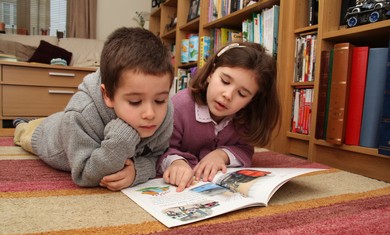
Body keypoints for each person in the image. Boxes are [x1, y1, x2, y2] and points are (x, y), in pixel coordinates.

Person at [13, 27, 174, 191]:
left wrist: (137, 171)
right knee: (24, 131)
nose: (150, 114)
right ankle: (22, 123)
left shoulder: (166, 112)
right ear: (107, 95)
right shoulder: (80, 113)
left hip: (67, 123)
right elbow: (85, 174)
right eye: (134, 101)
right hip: (49, 136)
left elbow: (158, 155)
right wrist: (121, 140)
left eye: (160, 100)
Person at [157, 42, 280, 192]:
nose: (228, 95)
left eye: (242, 94)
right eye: (225, 81)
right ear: (210, 73)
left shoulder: (245, 115)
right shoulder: (179, 106)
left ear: (252, 100)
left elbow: (245, 150)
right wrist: (176, 162)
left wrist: (221, 155)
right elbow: (160, 149)